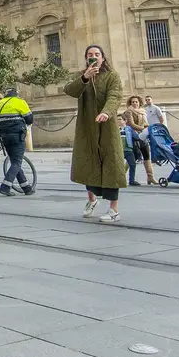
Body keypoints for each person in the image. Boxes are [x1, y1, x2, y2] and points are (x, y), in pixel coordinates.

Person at [65, 44, 127, 223]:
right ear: (86, 58)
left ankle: (113, 210)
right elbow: (69, 90)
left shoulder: (112, 76)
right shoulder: (81, 76)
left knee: (111, 163)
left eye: (97, 54)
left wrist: (107, 112)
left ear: (103, 57)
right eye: (90, 54)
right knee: (87, 161)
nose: (94, 57)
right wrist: (85, 77)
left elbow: (115, 96)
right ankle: (92, 200)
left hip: (107, 126)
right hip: (86, 126)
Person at [0, 88, 35, 197]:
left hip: (4, 136)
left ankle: (26, 188)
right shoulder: (19, 102)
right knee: (17, 162)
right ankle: (5, 186)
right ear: (15, 94)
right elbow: (29, 119)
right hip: (17, 136)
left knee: (14, 161)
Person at [124, 96, 156, 185]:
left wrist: (147, 128)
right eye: (133, 102)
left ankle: (150, 177)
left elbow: (146, 123)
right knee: (133, 158)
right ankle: (122, 175)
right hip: (134, 137)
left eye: (136, 102)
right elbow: (131, 124)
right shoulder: (128, 112)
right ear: (130, 103)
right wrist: (143, 128)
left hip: (143, 135)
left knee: (147, 157)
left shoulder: (143, 111)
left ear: (139, 103)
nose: (135, 103)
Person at [118, 114, 139, 186]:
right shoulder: (115, 129)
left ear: (125, 121)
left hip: (128, 149)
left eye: (120, 119)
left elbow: (136, 136)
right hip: (119, 150)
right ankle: (118, 180)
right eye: (117, 119)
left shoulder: (129, 128)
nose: (118, 121)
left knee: (132, 164)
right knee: (118, 166)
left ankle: (132, 180)